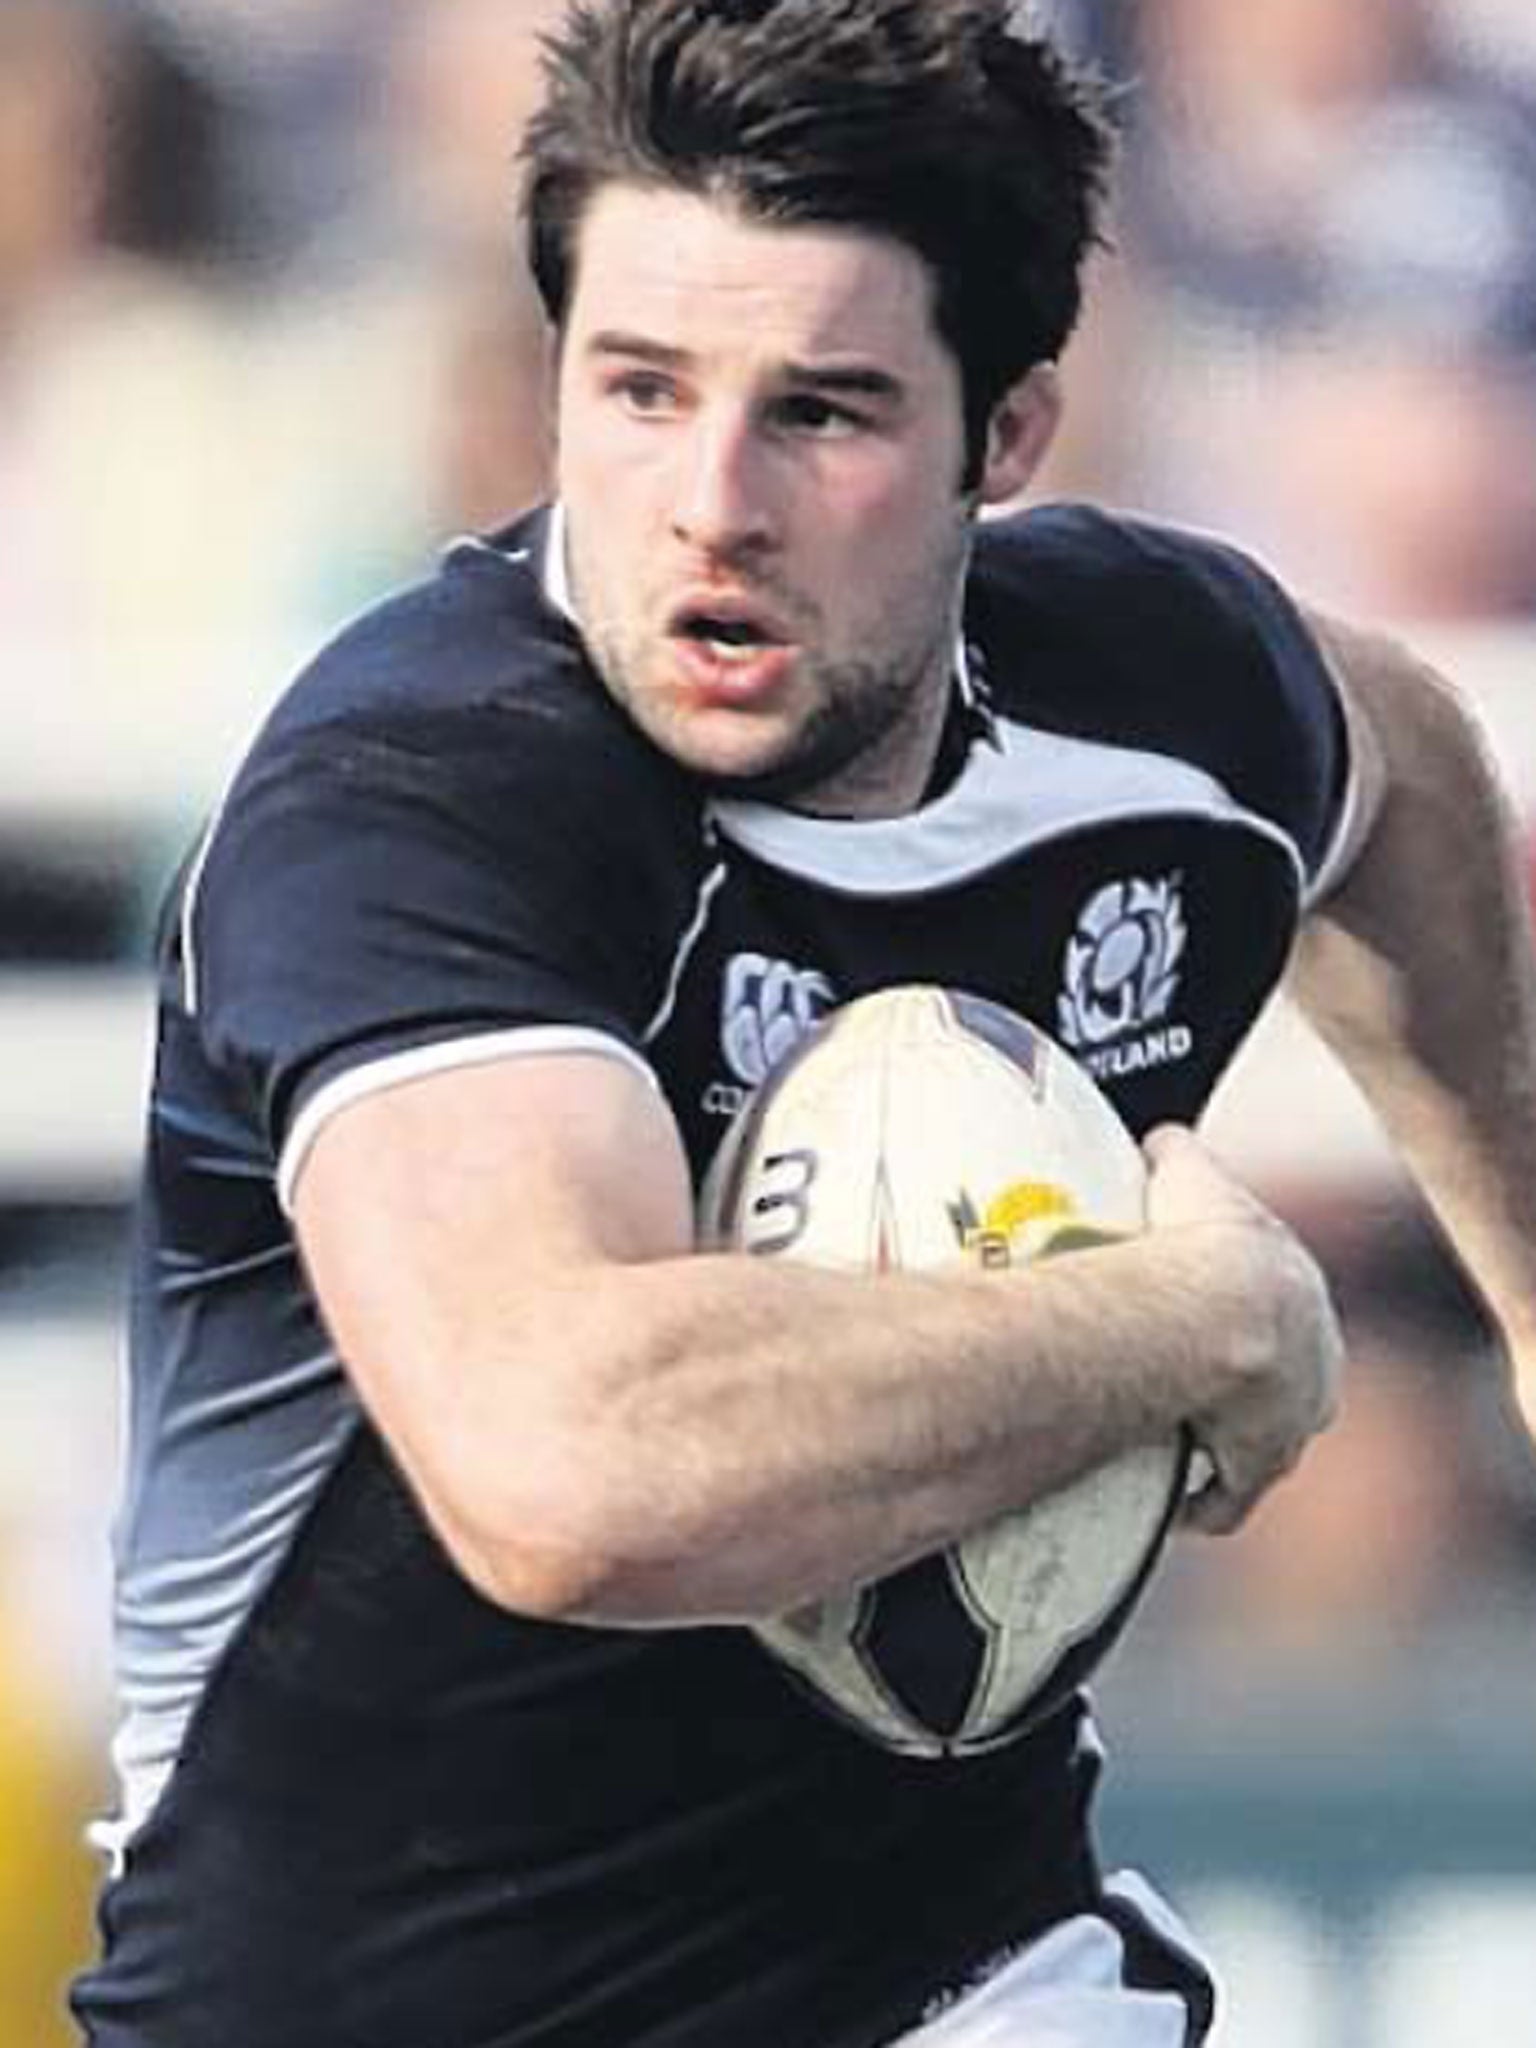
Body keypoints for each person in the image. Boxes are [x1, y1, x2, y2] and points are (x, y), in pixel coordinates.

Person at [72, 1, 1536, 2043]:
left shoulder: (1152, 692)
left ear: (1005, 437)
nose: (711, 501)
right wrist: (1188, 1324)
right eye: (640, 390)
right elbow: (565, 1471)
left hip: (959, 1979)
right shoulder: (413, 803)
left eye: (823, 414)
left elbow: (1399, 771)